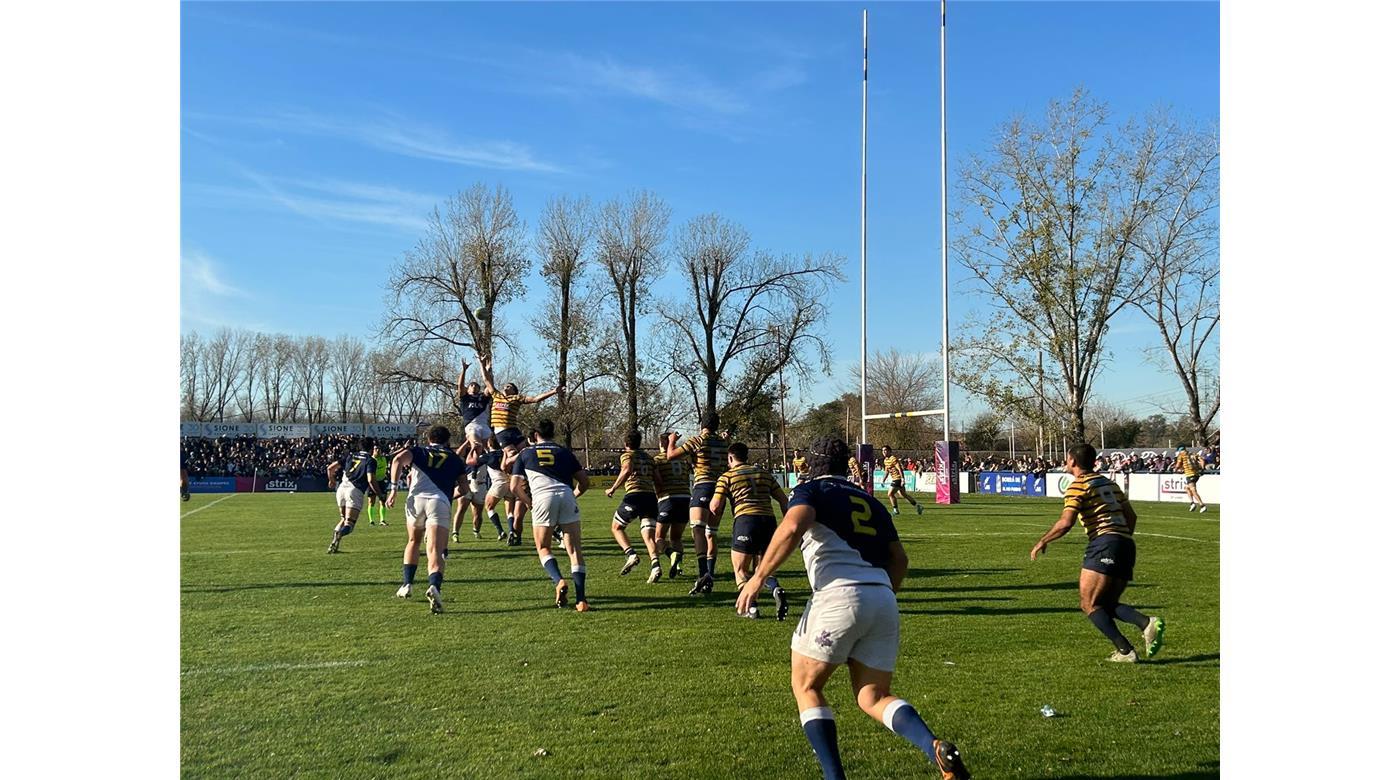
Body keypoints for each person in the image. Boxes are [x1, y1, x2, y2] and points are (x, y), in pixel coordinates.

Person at [736, 437, 971, 780]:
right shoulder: (869, 501)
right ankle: (934, 746)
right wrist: (878, 598)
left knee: (806, 686)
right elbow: (900, 560)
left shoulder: (811, 490)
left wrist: (758, 577)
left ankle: (835, 777)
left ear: (812, 464)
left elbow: (791, 526)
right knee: (873, 696)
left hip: (837, 595)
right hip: (882, 597)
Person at [1030, 443, 1166, 663]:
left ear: (1073, 461)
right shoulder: (1109, 483)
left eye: (1067, 458)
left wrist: (1042, 541)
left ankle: (1142, 627)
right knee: (1105, 603)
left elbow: (1066, 522)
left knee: (1089, 604)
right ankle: (1128, 650)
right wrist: (1119, 538)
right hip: (1126, 544)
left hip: (1104, 543)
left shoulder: (1078, 485)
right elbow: (1131, 517)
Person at [386, 426, 470, 614]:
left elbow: (398, 459)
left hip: (416, 501)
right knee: (435, 550)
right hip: (439, 502)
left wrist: (393, 489)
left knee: (413, 541)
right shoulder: (456, 459)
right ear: (448, 441)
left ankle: (407, 584)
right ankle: (434, 587)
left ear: (428, 438)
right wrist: (449, 495)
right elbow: (465, 489)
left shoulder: (419, 450)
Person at [511, 419, 592, 611]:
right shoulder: (564, 452)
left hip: (542, 498)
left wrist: (529, 503)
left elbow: (514, 486)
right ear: (552, 433)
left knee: (543, 547)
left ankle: (559, 581)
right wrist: (573, 495)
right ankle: (581, 600)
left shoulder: (525, 453)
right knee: (574, 550)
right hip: (566, 496)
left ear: (534, 435)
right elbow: (584, 481)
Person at [710, 441, 790, 618]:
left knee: (740, 570)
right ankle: (776, 589)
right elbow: (785, 502)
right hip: (768, 522)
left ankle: (751, 608)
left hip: (746, 521)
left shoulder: (727, 476)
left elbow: (715, 507)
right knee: (763, 569)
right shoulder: (764, 474)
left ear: (730, 458)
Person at [664, 411, 730, 595]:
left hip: (703, 486)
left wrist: (671, 440)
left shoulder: (698, 440)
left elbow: (671, 455)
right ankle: (710, 575)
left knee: (698, 531)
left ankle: (703, 574)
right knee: (711, 533)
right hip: (720, 489)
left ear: (702, 424)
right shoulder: (724, 443)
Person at [604, 430, 663, 581]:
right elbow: (658, 480)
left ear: (626, 444)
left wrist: (613, 488)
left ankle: (631, 554)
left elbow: (627, 469)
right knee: (648, 536)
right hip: (650, 498)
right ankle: (655, 566)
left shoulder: (627, 455)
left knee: (616, 527)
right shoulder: (650, 459)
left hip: (635, 496)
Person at [325, 437, 377, 554]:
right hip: (355, 491)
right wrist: (379, 493)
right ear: (371, 448)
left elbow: (330, 468)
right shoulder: (370, 460)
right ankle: (340, 533)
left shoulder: (350, 456)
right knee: (349, 524)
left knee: (343, 519)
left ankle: (334, 545)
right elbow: (370, 479)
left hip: (341, 489)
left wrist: (332, 481)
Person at [654, 436, 692, 580]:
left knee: (659, 537)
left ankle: (671, 554)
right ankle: (678, 566)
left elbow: (658, 481)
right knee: (676, 537)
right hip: (685, 499)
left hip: (668, 499)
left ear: (660, 444)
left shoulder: (657, 460)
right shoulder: (683, 460)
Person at [457, 359, 492, 448]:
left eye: (476, 385)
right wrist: (464, 370)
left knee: (492, 446)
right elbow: (460, 385)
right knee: (477, 446)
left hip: (484, 425)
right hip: (471, 425)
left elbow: (489, 385)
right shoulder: (465, 398)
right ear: (467, 389)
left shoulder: (483, 398)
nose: (474, 386)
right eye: (471, 385)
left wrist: (488, 371)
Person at [881, 446, 922, 516]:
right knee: (903, 495)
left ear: (890, 451)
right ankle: (918, 506)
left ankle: (896, 510)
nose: (884, 452)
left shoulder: (893, 458)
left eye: (885, 450)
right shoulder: (885, 460)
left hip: (898, 479)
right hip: (895, 479)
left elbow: (899, 468)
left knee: (890, 494)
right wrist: (883, 480)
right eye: (883, 451)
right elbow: (886, 471)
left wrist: (902, 479)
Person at [1175, 445, 1208, 513]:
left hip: (1190, 474)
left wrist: (1176, 469)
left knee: (1193, 490)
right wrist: (1202, 468)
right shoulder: (1192, 453)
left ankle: (1202, 505)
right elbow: (1202, 460)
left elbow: (1177, 466)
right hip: (1196, 474)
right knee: (1187, 488)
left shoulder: (1181, 455)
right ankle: (1192, 503)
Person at [366, 440, 390, 526]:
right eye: (376, 449)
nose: (378, 450)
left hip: (382, 482)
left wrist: (403, 448)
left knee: (383, 501)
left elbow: (394, 454)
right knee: (371, 501)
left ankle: (382, 520)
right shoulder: (370, 460)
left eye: (379, 449)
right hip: (373, 482)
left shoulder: (384, 458)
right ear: (373, 450)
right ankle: (371, 521)